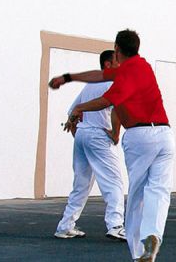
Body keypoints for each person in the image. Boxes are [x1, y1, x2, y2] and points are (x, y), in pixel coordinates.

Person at [49, 29, 175, 261]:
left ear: (117, 50)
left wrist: (78, 106)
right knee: (158, 190)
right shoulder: (144, 66)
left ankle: (135, 249)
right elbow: (103, 84)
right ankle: (147, 234)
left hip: (131, 135)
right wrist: (69, 77)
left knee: (131, 193)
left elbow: (109, 101)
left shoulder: (122, 76)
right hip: (164, 135)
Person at [54, 50, 126, 241]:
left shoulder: (90, 86)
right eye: (117, 62)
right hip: (98, 136)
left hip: (84, 135)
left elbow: (72, 112)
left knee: (81, 184)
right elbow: (117, 108)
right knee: (114, 182)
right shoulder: (115, 82)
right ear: (108, 65)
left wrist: (79, 135)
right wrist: (115, 134)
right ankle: (115, 225)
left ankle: (65, 226)